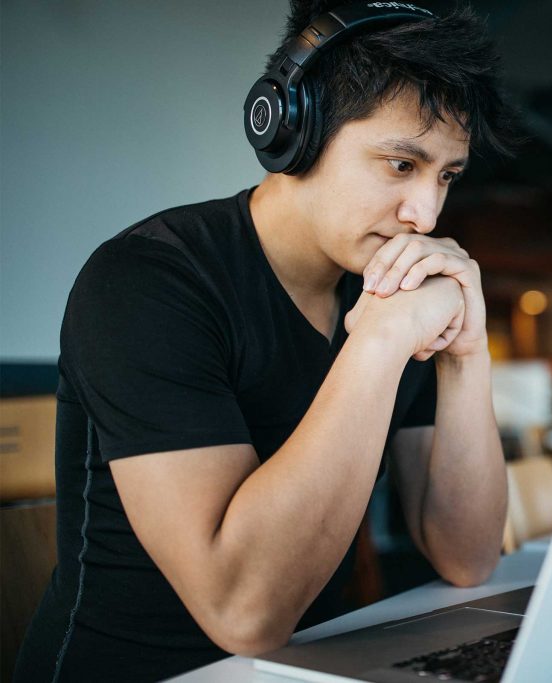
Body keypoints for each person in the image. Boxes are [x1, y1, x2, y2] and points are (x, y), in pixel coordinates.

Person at [15, 2, 519, 680]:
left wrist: (467, 351)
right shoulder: (146, 282)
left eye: (446, 176)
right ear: (295, 130)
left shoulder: (391, 286)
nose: (425, 214)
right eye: (402, 164)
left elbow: (467, 555)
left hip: (304, 671)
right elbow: (243, 613)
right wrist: (376, 343)